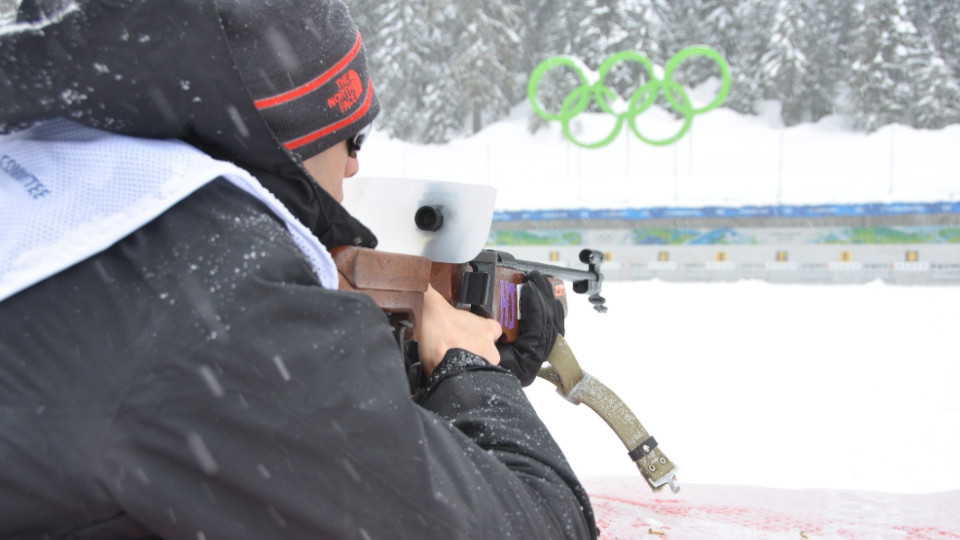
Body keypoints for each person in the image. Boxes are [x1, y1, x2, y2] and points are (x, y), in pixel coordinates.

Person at [0, 0, 597, 538]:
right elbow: (542, 522)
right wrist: (473, 374)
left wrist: (417, 384)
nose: (357, 168)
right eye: (353, 137)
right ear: (291, 136)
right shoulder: (212, 296)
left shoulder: (56, 182)